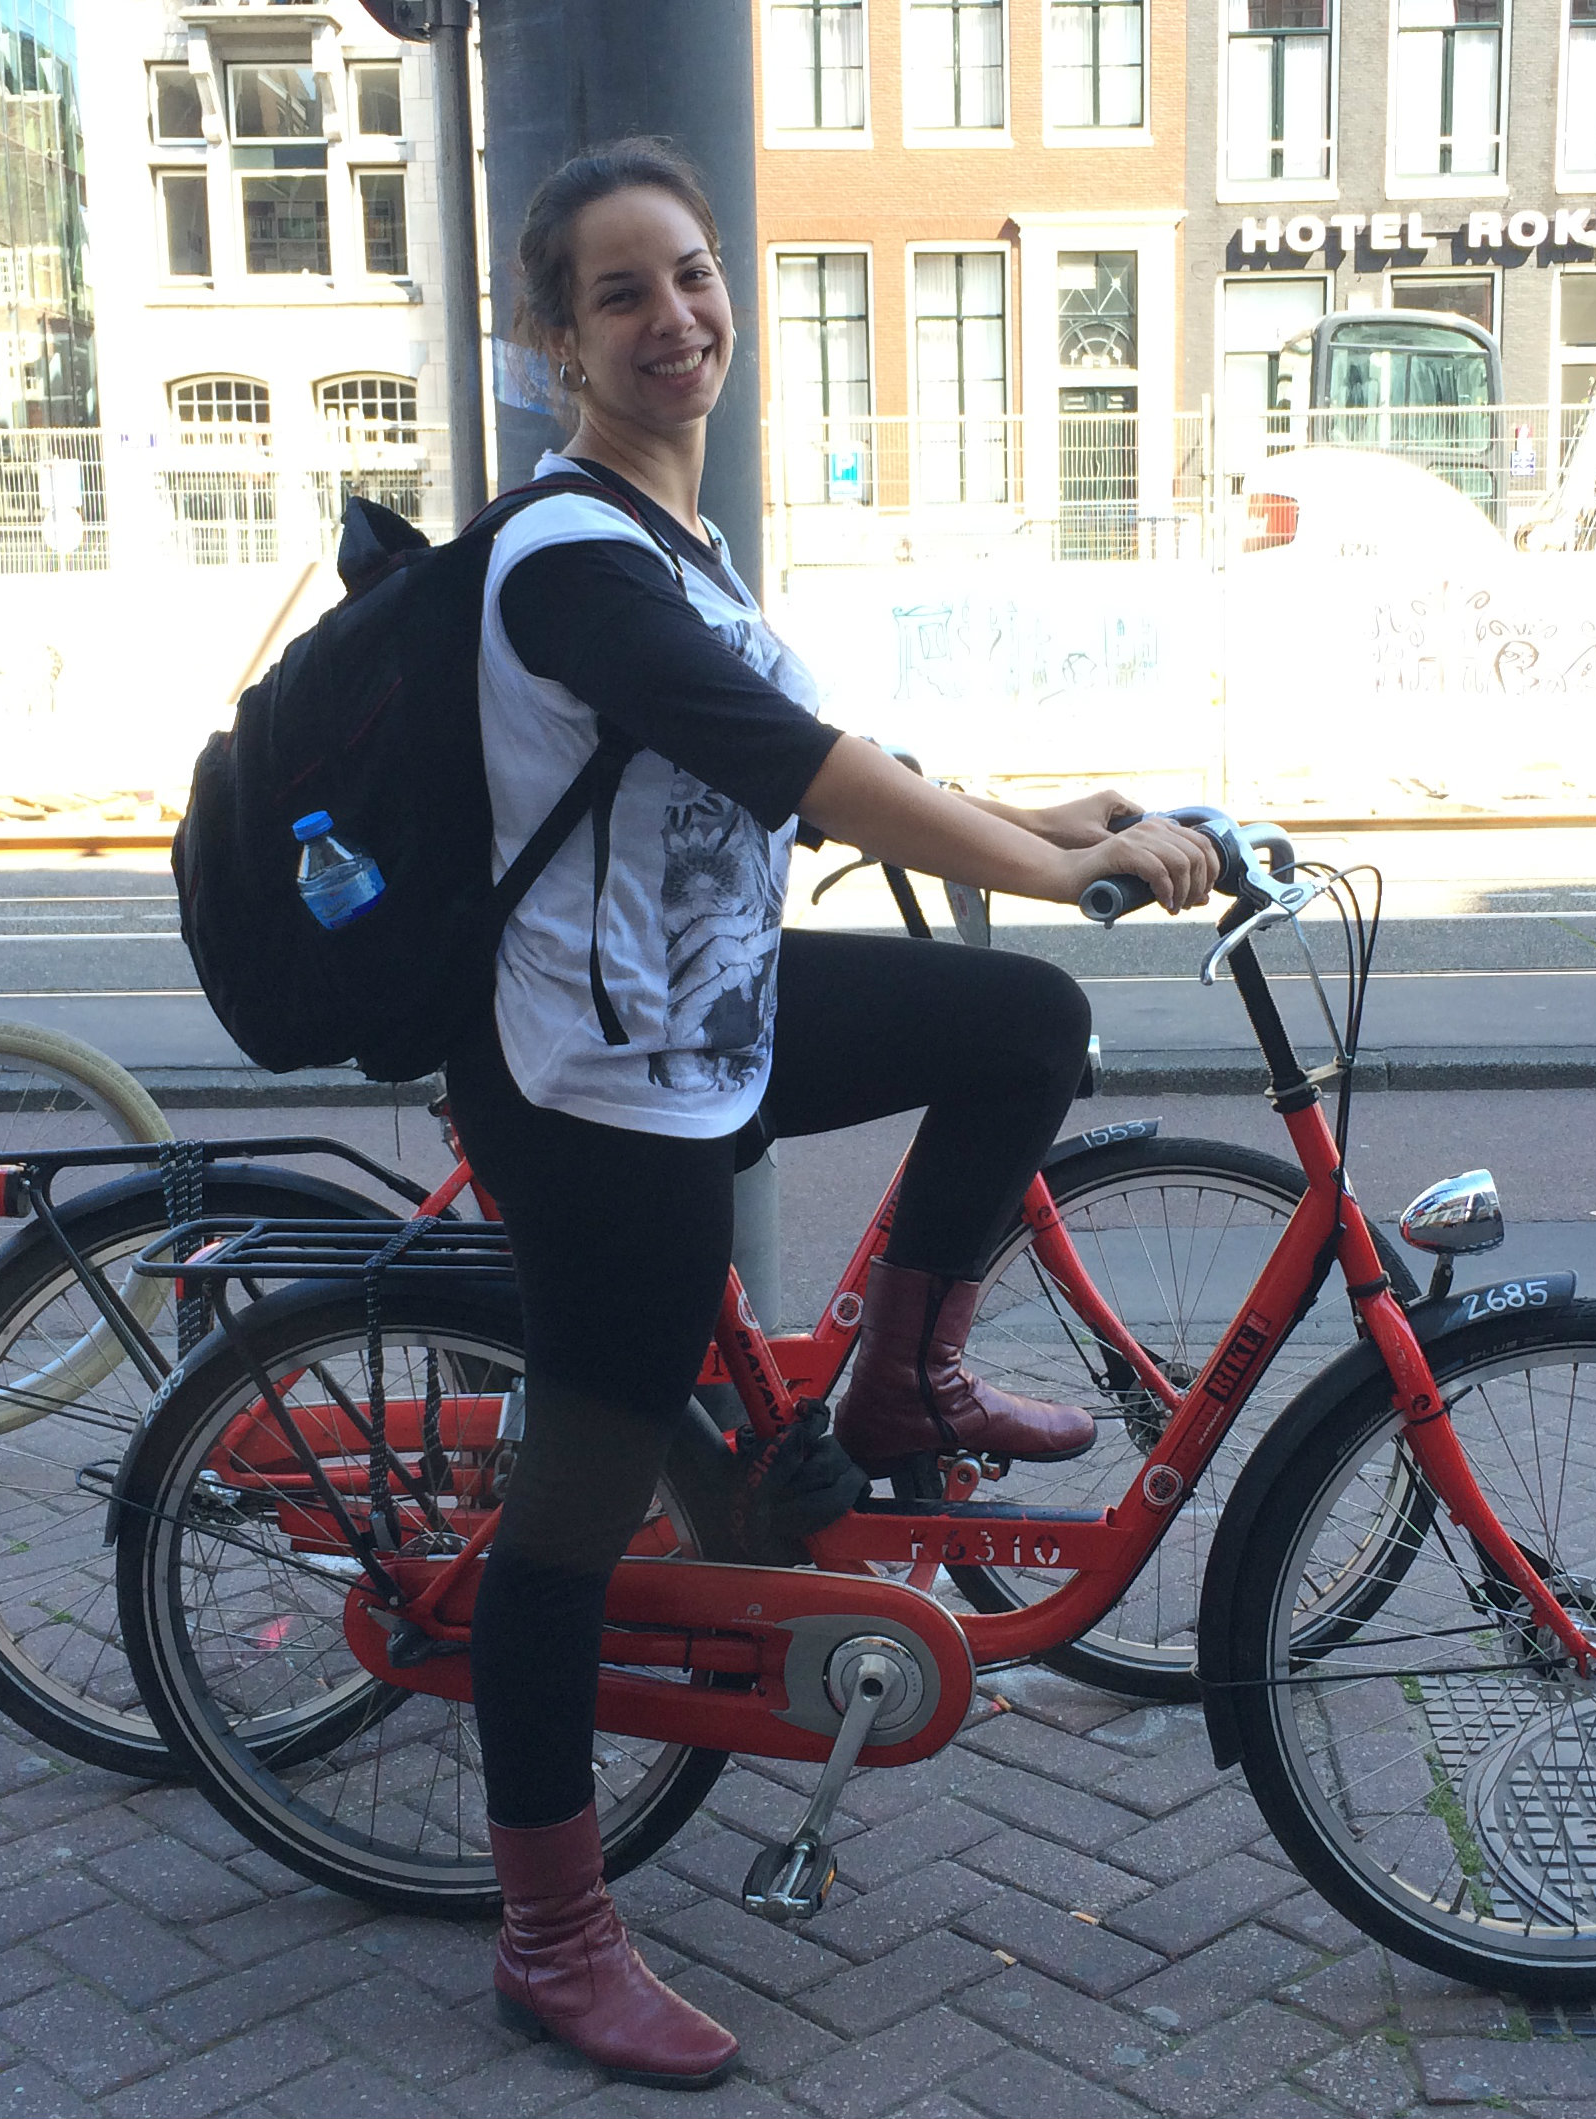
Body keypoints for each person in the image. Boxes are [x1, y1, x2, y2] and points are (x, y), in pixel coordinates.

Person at [454, 138, 1218, 2092]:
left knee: (1018, 1025)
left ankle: (896, 1393)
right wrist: (1067, 868)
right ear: (556, 342)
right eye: (619, 293)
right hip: (600, 1087)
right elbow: (795, 763)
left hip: (706, 1014)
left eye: (691, 275)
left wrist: (1043, 814)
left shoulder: (678, 550)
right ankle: (551, 1938)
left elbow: (817, 759)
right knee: (573, 1520)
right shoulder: (565, 560)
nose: (673, 318)